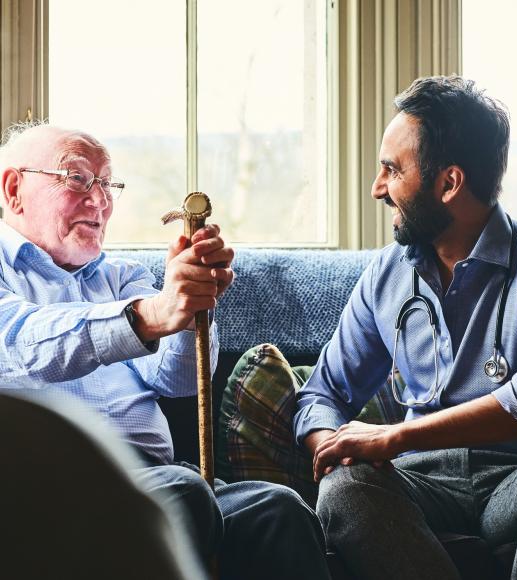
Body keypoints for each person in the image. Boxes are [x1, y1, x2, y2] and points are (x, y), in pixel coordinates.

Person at [0, 122, 331, 580]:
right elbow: (25, 340)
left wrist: (193, 304)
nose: (99, 200)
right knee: (182, 493)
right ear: (14, 188)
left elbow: (175, 380)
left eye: (107, 183)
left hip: (158, 476)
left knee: (278, 508)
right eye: (76, 179)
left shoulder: (119, 276)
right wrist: (153, 313)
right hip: (49, 492)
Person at [292, 76, 517, 579]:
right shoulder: (386, 274)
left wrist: (397, 436)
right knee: (343, 490)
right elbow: (322, 395)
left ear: (449, 183)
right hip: (420, 487)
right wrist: (333, 447)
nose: (378, 188)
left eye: (391, 170)